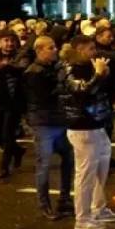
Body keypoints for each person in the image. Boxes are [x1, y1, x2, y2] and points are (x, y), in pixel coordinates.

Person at [60, 35, 115, 229]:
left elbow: (99, 92)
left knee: (101, 167)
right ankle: (83, 218)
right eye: (90, 49)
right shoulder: (69, 69)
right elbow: (81, 93)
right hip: (82, 126)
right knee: (86, 173)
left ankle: (98, 208)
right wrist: (98, 75)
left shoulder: (87, 67)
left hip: (97, 123)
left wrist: (103, 74)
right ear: (79, 50)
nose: (94, 53)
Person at [23, 36, 75, 219]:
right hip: (44, 123)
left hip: (58, 120)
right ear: (39, 50)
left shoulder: (52, 68)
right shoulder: (34, 72)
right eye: (50, 48)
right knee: (44, 164)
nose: (55, 50)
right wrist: (60, 80)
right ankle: (44, 203)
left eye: (55, 47)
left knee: (68, 158)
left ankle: (64, 198)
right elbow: (43, 96)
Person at [0, 30, 27, 179]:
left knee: (8, 134)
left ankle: (4, 167)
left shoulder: (21, 54)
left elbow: (21, 69)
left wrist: (2, 66)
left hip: (13, 101)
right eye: (6, 40)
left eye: (12, 41)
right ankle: (17, 151)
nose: (9, 44)